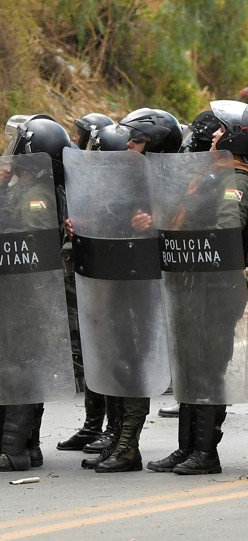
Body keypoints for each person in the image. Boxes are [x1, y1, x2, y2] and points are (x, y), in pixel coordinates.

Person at [73, 107, 182, 473]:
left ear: (156, 147)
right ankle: (115, 438)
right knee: (117, 359)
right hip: (118, 279)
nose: (129, 146)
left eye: (137, 141)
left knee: (134, 361)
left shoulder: (175, 182)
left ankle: (128, 446)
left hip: (149, 287)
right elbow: (110, 215)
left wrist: (156, 221)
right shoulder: (126, 178)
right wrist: (80, 223)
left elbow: (192, 224)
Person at [0, 115, 75, 469]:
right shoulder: (21, 188)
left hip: (26, 298)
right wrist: (1, 190)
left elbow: (31, 245)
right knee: (8, 365)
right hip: (9, 295)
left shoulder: (37, 195)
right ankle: (11, 444)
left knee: (21, 368)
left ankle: (14, 451)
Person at [146, 100, 248, 475]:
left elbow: (227, 230)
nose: (213, 136)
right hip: (196, 284)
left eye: (221, 130)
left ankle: (205, 451)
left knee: (207, 368)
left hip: (218, 288)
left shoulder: (235, 183)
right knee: (191, 366)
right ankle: (186, 447)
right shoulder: (209, 178)